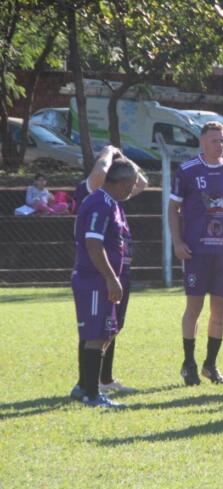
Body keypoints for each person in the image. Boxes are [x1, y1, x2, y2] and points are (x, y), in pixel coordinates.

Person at [169, 121, 223, 386]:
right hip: (196, 250)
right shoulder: (187, 170)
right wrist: (177, 242)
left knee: (221, 307)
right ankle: (188, 363)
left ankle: (210, 364)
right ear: (202, 142)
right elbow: (173, 209)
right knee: (194, 306)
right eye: (215, 140)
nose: (220, 145)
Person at [70, 145, 148, 400]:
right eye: (131, 184)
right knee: (95, 334)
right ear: (123, 183)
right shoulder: (99, 202)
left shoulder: (112, 203)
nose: (133, 189)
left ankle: (85, 387)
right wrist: (110, 277)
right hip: (95, 280)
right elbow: (93, 244)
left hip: (106, 279)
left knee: (103, 332)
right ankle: (92, 394)